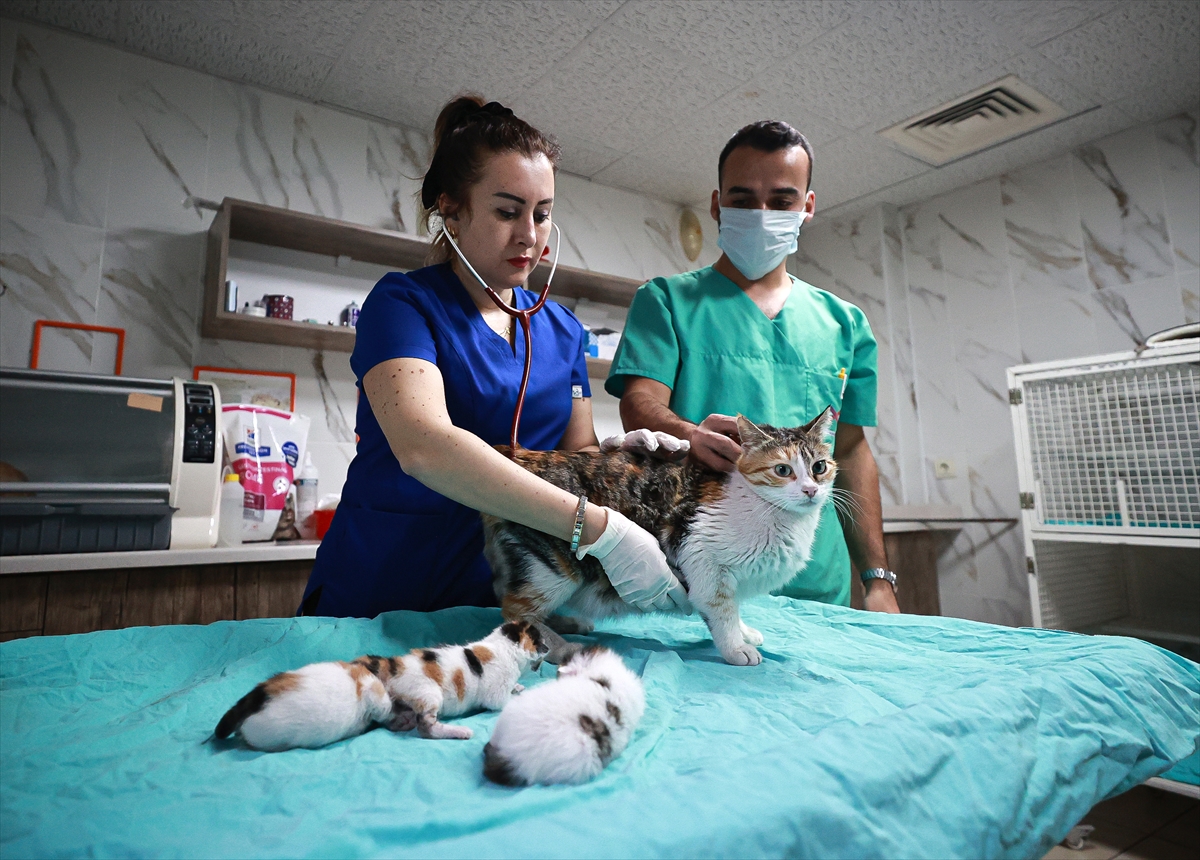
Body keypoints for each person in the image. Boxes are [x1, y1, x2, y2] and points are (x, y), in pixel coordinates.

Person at [300, 96, 690, 619]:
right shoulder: (403, 305)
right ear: (451, 211)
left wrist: (623, 453)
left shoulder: (564, 331)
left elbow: (576, 458)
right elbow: (424, 447)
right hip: (387, 586)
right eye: (508, 211)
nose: (529, 235)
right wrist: (597, 529)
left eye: (543, 214)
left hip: (502, 598)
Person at [606, 120, 901, 614]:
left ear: (807, 207)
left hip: (814, 584)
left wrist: (878, 578)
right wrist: (688, 433)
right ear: (718, 205)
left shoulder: (844, 324)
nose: (761, 214)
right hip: (700, 573)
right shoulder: (667, 301)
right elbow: (640, 405)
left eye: (782, 200)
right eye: (743, 199)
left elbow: (851, 449)